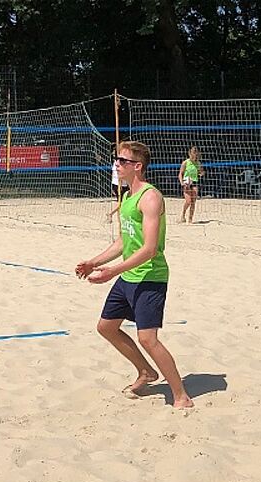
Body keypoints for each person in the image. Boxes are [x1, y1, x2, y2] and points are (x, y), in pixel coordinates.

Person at [76, 140, 193, 409]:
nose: (116, 164)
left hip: (150, 277)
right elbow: (123, 241)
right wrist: (93, 263)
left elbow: (149, 249)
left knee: (147, 338)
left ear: (137, 166)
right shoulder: (127, 196)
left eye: (122, 161)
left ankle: (180, 396)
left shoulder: (150, 197)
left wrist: (112, 272)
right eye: (116, 160)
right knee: (106, 327)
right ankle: (146, 372)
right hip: (129, 276)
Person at [178, 146, 204, 223]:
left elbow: (201, 172)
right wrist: (182, 182)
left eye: (196, 154)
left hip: (194, 182)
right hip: (186, 183)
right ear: (189, 153)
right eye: (193, 153)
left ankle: (190, 219)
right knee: (188, 201)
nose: (194, 155)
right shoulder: (185, 162)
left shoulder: (198, 163)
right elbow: (180, 174)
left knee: (193, 202)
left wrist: (201, 173)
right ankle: (183, 215)